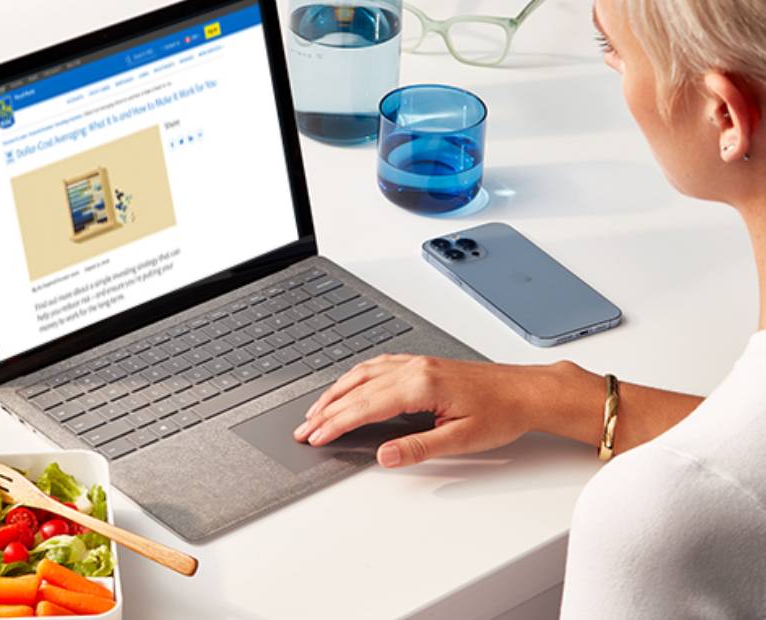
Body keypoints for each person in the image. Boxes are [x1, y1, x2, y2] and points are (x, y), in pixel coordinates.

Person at [294, 0, 766, 616]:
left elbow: (726, 477)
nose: (614, 73)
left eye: (613, 51)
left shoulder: (659, 525)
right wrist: (566, 397)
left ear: (724, 114)